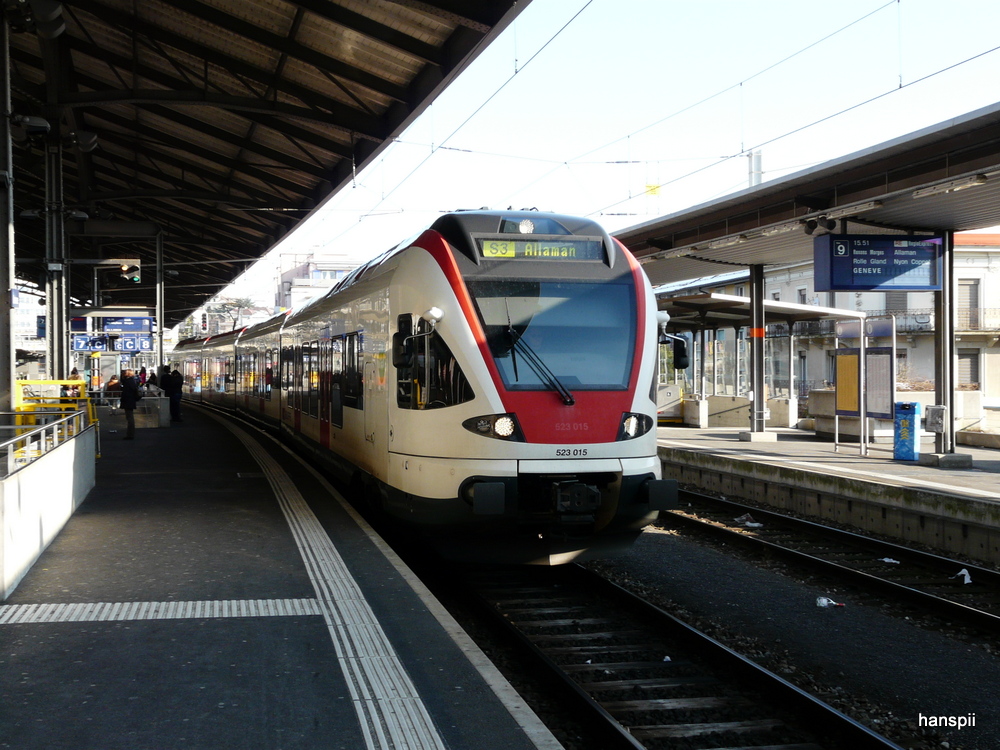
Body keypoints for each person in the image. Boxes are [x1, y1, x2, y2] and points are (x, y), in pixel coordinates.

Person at [119, 369, 141, 440]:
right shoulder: (131, 381)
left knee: (130, 418)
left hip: (128, 401)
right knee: (129, 417)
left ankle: (130, 434)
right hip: (130, 401)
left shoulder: (128, 382)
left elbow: (126, 392)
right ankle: (130, 434)